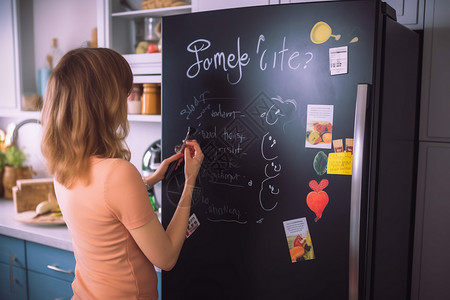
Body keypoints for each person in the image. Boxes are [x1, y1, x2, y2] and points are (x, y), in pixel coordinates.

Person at [40, 47, 203, 299]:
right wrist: (190, 181)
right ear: (103, 101)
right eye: (124, 91)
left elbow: (102, 204)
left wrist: (150, 180)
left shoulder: (63, 166)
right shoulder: (118, 174)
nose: (127, 99)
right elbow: (167, 257)